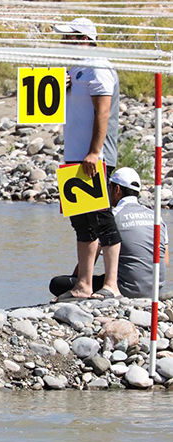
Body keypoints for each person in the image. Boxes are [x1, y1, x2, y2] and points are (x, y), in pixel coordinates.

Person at [51, 17, 123, 302]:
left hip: (94, 157)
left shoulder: (98, 66)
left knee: (102, 217)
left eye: (67, 37)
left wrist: (94, 152)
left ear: (82, 38)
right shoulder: (77, 69)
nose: (62, 42)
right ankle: (83, 285)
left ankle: (112, 284)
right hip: (75, 158)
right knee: (82, 221)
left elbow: (102, 112)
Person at [50, 167, 168, 299]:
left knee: (57, 284)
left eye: (109, 188)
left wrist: (76, 280)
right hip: (155, 289)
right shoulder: (157, 217)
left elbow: (92, 254)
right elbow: (165, 260)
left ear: (116, 189)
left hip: (125, 289)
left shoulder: (113, 218)